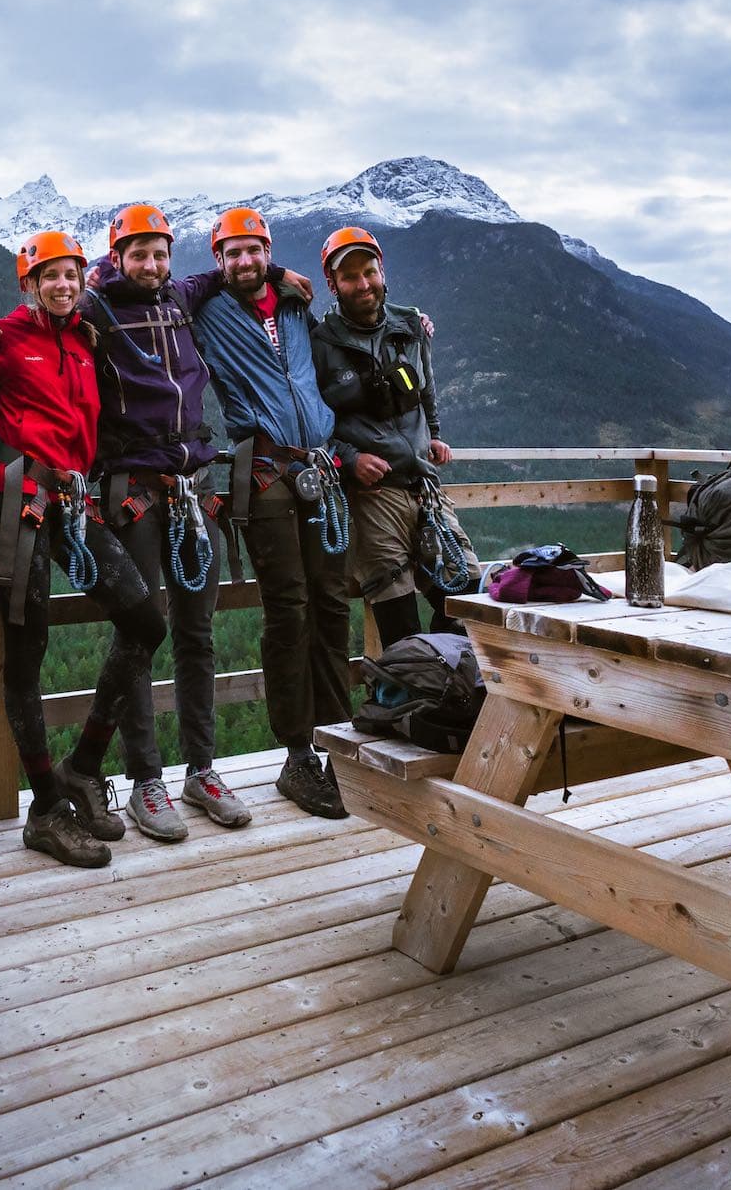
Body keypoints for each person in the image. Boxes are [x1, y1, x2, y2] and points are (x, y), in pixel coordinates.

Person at [0, 229, 169, 867]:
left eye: (71, 275)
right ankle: (44, 808)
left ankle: (83, 766)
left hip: (74, 501)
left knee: (144, 620)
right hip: (20, 503)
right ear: (28, 283)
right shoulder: (1, 341)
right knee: (27, 649)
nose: (63, 285)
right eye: (49, 276)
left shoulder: (85, 339)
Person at [67, 203, 240, 841]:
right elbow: (39, 315)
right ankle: (146, 778)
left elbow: (225, 274)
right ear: (116, 257)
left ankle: (202, 768)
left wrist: (276, 273)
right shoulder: (95, 307)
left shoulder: (179, 296)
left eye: (159, 252)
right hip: (133, 489)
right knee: (139, 636)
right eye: (137, 253)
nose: (151, 263)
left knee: (197, 633)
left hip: (193, 486)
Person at [187, 208, 355, 819]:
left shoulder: (293, 306)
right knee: (290, 610)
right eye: (230, 254)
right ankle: (297, 755)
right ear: (218, 261)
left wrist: (414, 328)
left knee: (333, 604)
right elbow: (124, 287)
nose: (244, 262)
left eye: (253, 251)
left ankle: (339, 740)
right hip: (264, 474)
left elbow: (343, 344)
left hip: (322, 467)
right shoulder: (205, 312)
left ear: (266, 251)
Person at [312, 226, 475, 652]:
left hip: (424, 486)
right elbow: (310, 422)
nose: (363, 284)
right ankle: (410, 704)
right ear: (333, 284)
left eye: (369, 272)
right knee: (398, 618)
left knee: (469, 595)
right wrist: (347, 459)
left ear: (382, 271)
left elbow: (426, 391)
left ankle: (446, 690)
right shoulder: (320, 344)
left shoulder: (409, 325)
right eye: (350, 277)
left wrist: (434, 437)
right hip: (373, 497)